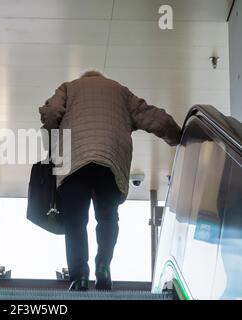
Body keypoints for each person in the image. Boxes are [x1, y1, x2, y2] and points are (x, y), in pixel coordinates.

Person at [39, 70, 182, 291]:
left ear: (84, 78)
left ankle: (79, 277)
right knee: (107, 217)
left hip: (74, 161)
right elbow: (152, 117)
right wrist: (178, 137)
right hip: (111, 160)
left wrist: (50, 138)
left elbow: (51, 112)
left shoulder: (69, 88)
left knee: (76, 220)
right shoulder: (120, 92)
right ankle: (103, 266)